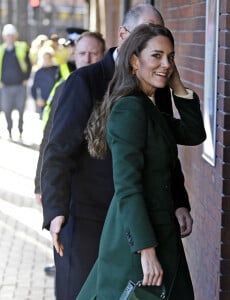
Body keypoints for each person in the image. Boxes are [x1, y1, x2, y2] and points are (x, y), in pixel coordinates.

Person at [41, 4, 192, 300]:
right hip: (88, 219)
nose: (152, 42)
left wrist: (179, 201)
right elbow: (58, 150)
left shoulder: (155, 83)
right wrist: (55, 209)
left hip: (137, 221)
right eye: (144, 33)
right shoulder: (83, 81)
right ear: (123, 35)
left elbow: (164, 150)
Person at [77, 23, 206, 300]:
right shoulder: (130, 108)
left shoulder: (147, 106)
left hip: (161, 231)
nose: (166, 64)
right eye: (156, 56)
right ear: (134, 60)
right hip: (139, 238)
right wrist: (146, 251)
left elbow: (194, 133)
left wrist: (176, 84)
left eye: (170, 57)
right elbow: (127, 186)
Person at [35, 31, 106, 279]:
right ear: (74, 54)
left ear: (103, 55)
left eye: (93, 53)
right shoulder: (67, 86)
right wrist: (40, 184)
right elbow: (50, 140)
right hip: (73, 192)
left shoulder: (112, 88)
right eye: (83, 53)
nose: (87, 58)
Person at [0, 24, 31, 139]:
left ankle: (20, 130)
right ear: (4, 36)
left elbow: (28, 64)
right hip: (5, 86)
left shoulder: (22, 47)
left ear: (15, 36)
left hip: (20, 85)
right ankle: (9, 130)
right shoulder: (1, 50)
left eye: (12, 35)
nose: (10, 37)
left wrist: (26, 78)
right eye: (8, 35)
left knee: (21, 110)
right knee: (6, 110)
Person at [31, 46, 58, 118]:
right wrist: (37, 99)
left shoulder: (57, 70)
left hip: (57, 101)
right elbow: (33, 88)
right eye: (45, 58)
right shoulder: (38, 72)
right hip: (44, 103)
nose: (47, 60)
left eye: (49, 58)